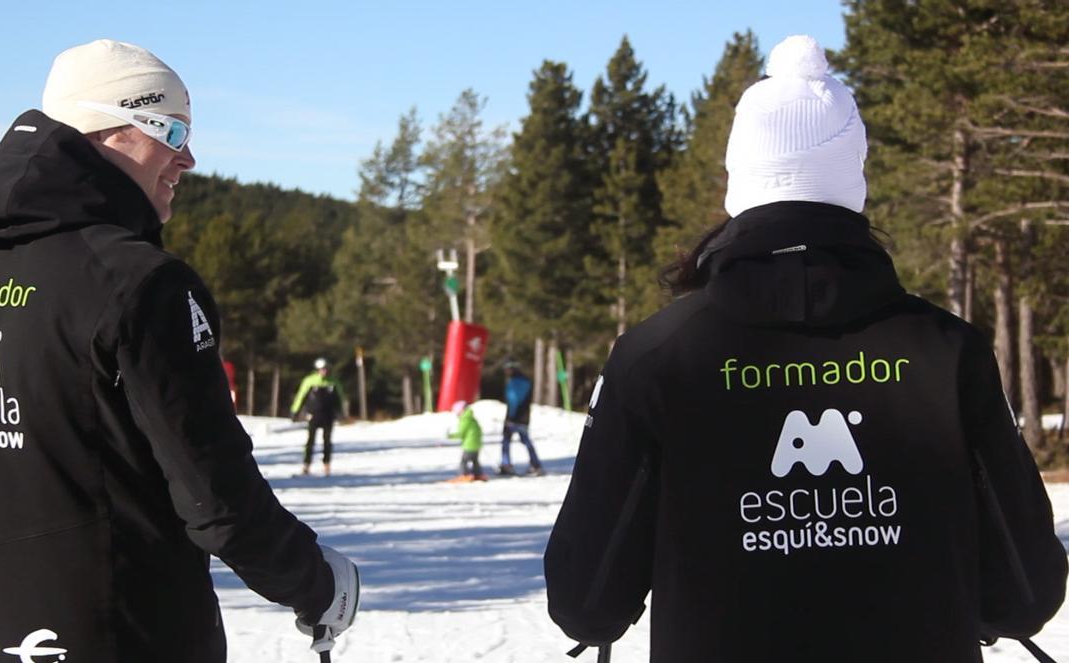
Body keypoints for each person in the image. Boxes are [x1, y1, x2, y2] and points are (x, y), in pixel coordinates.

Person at [544, 35, 1065, 662]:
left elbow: (587, 599)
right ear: (854, 182)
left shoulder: (654, 356)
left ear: (741, 182)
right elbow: (1026, 590)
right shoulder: (949, 349)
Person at [0, 40, 357, 663]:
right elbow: (217, 498)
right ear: (107, 131)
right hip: (121, 636)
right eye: (172, 131)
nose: (187, 158)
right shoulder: (140, 283)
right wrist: (315, 583)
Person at [290, 357, 346, 476]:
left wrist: (341, 412)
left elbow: (340, 398)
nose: (324, 371)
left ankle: (326, 465)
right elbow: (301, 396)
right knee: (310, 441)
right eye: (321, 369)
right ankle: (306, 465)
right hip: (313, 415)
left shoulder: (333, 382)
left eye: (325, 369)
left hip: (328, 416)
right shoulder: (309, 381)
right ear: (317, 370)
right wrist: (295, 410)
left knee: (327, 441)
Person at [499, 360, 543, 476]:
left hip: (514, 418)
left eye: (507, 370)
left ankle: (506, 464)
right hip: (524, 417)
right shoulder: (526, 381)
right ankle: (535, 464)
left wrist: (510, 417)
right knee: (526, 441)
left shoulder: (514, 382)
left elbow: (513, 401)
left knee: (506, 442)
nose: (506, 372)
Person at [447, 400, 486, 482]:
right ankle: (478, 474)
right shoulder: (472, 419)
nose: (457, 415)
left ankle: (464, 475)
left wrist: (450, 436)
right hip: (476, 445)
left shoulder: (465, 419)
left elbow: (461, 433)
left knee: (464, 461)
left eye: (457, 412)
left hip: (469, 445)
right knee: (475, 461)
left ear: (461, 411)